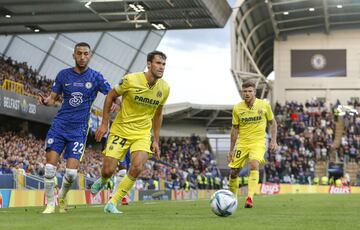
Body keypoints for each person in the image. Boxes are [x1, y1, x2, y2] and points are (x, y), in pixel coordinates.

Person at [91, 50, 170, 214]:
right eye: (158, 63)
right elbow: (110, 97)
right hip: (121, 130)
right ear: (149, 64)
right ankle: (104, 179)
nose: (161, 67)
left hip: (142, 133)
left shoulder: (165, 88)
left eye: (163, 64)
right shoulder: (130, 80)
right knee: (108, 170)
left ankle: (112, 203)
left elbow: (158, 113)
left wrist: (155, 140)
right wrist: (104, 123)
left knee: (137, 167)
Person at [38, 42, 111, 214]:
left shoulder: (96, 77)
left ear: (90, 56)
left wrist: (114, 102)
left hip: (78, 130)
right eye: (79, 53)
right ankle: (50, 204)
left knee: (71, 173)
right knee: (49, 168)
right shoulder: (63, 75)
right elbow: (53, 98)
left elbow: (112, 94)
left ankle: (62, 196)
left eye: (86, 53)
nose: (82, 56)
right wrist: (46, 101)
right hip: (60, 126)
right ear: (74, 55)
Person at [227, 80, 278, 208]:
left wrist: (273, 140)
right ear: (242, 93)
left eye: (250, 91)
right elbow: (234, 129)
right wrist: (231, 150)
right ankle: (232, 199)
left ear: (255, 92)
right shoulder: (237, 108)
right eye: (245, 91)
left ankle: (250, 198)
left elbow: (273, 123)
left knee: (254, 164)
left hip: (258, 142)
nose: (247, 93)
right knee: (234, 172)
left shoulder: (263, 105)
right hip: (242, 143)